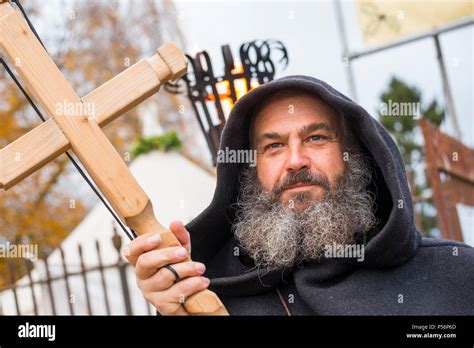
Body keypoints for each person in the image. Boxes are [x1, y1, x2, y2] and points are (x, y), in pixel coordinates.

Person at [125, 75, 474, 315]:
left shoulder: (455, 276)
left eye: (316, 138)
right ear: (250, 171)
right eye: (274, 146)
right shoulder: (210, 297)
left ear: (356, 153)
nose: (295, 161)